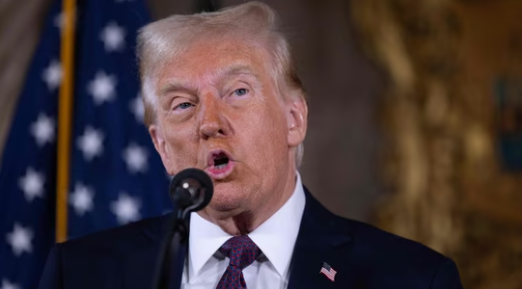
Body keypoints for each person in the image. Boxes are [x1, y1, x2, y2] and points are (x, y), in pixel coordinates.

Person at [38, 2, 463, 289]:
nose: (209, 123)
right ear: (162, 147)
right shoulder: (80, 274)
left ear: (294, 119)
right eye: (183, 104)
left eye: (238, 92)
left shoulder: (412, 279)